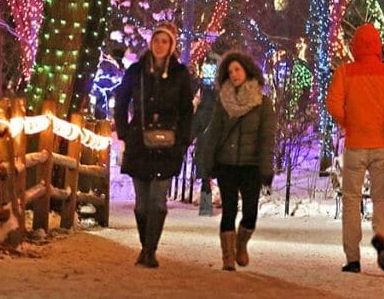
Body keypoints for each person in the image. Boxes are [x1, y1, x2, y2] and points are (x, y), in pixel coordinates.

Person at [326, 23, 384, 273]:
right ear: (378, 46)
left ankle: (353, 258)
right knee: (381, 197)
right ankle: (381, 236)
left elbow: (333, 105)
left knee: (351, 200)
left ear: (355, 46)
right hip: (383, 145)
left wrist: (348, 121)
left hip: (355, 145)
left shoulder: (344, 73)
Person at [114, 22, 195, 268]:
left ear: (171, 46)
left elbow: (186, 110)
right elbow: (121, 101)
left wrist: (183, 139)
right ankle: (145, 246)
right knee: (141, 205)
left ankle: (150, 251)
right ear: (151, 43)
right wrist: (125, 131)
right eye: (157, 40)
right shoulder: (136, 71)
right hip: (140, 144)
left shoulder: (180, 74)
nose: (160, 45)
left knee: (158, 202)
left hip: (167, 146)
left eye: (165, 41)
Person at [197, 51, 276, 271]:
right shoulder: (223, 103)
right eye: (230, 71)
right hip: (227, 164)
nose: (233, 74)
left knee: (250, 212)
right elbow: (213, 134)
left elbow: (267, 138)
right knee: (229, 210)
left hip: (251, 166)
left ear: (247, 70)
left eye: (237, 69)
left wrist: (266, 167)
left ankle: (241, 244)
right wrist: (208, 162)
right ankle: (227, 258)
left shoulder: (263, 103)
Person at [192, 80, 217, 216]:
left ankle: (206, 208)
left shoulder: (201, 111)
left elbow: (193, 129)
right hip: (218, 147)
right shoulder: (219, 109)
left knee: (206, 180)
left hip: (204, 148)